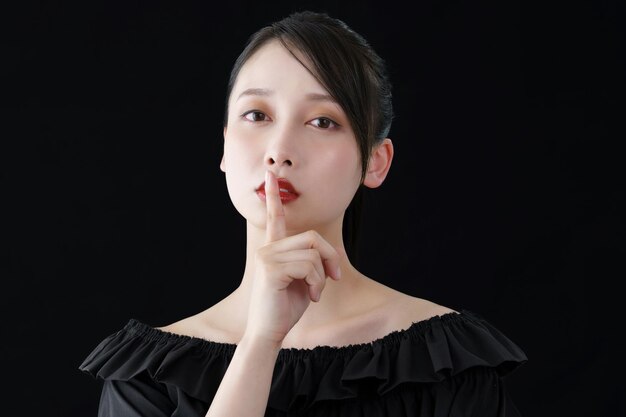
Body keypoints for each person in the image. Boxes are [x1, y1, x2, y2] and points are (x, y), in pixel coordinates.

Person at [79, 10, 528, 417]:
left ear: (376, 161)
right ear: (224, 146)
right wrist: (260, 343)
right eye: (256, 114)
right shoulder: (147, 376)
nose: (278, 152)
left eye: (322, 122)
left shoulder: (444, 363)